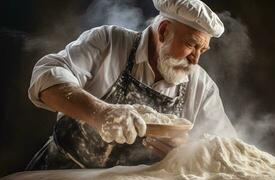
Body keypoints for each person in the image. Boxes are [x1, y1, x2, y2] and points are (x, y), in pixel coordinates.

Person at [26, 0, 236, 170]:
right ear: (163, 31)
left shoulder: (201, 86)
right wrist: (101, 113)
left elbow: (227, 149)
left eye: (202, 50)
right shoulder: (108, 42)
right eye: (191, 44)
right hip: (58, 179)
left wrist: (186, 152)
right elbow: (46, 75)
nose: (195, 59)